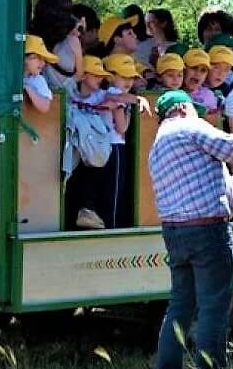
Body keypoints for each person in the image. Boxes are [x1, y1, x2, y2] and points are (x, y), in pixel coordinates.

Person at [149, 89, 233, 369]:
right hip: (208, 231)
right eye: (193, 108)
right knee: (215, 305)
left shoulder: (158, 146)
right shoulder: (190, 126)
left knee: (180, 304)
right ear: (181, 107)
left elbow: (197, 185)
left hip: (176, 232)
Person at [64, 55, 113, 230]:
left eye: (102, 76)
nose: (101, 79)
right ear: (83, 75)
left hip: (93, 152)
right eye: (96, 75)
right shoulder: (68, 91)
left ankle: (87, 213)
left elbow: (119, 97)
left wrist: (138, 99)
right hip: (71, 150)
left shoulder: (102, 94)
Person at [98, 53, 144, 228]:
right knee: (115, 191)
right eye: (123, 76)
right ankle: (112, 226)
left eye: (131, 77)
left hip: (106, 146)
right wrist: (129, 110)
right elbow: (122, 128)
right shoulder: (117, 95)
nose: (129, 81)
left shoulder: (108, 93)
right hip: (115, 146)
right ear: (110, 77)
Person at [30, 0, 84, 91]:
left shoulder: (31, 38)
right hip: (63, 101)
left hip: (36, 97)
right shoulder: (73, 40)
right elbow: (79, 75)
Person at [207, 44, 233, 133]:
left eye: (226, 69)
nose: (221, 73)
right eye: (216, 67)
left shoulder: (231, 95)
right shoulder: (195, 88)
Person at [23, 34, 58, 114]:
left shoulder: (38, 80)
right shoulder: (8, 76)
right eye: (37, 57)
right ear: (23, 57)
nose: (43, 63)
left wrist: (27, 88)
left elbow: (45, 107)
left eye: (44, 59)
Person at [183, 47, 218, 115]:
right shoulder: (171, 92)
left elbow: (215, 123)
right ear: (183, 69)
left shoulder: (209, 96)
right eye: (194, 67)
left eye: (203, 70)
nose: (198, 73)